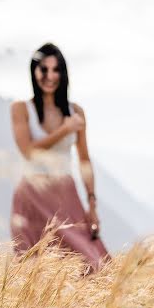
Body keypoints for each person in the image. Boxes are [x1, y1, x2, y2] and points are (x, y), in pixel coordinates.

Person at [10, 43, 108, 273]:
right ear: (34, 71)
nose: (50, 76)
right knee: (34, 268)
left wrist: (91, 203)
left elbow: (84, 160)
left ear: (63, 74)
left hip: (66, 195)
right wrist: (64, 130)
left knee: (90, 263)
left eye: (56, 70)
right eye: (44, 69)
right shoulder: (21, 109)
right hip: (32, 195)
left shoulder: (76, 112)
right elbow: (28, 151)